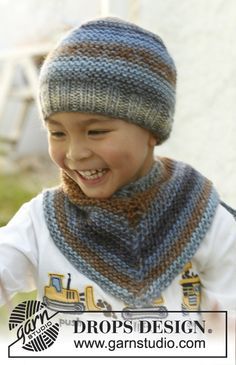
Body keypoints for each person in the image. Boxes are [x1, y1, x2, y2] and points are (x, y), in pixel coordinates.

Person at [0, 17, 235, 317]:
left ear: (151, 129)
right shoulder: (41, 223)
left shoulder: (207, 222)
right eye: (57, 133)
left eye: (95, 132)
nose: (75, 153)